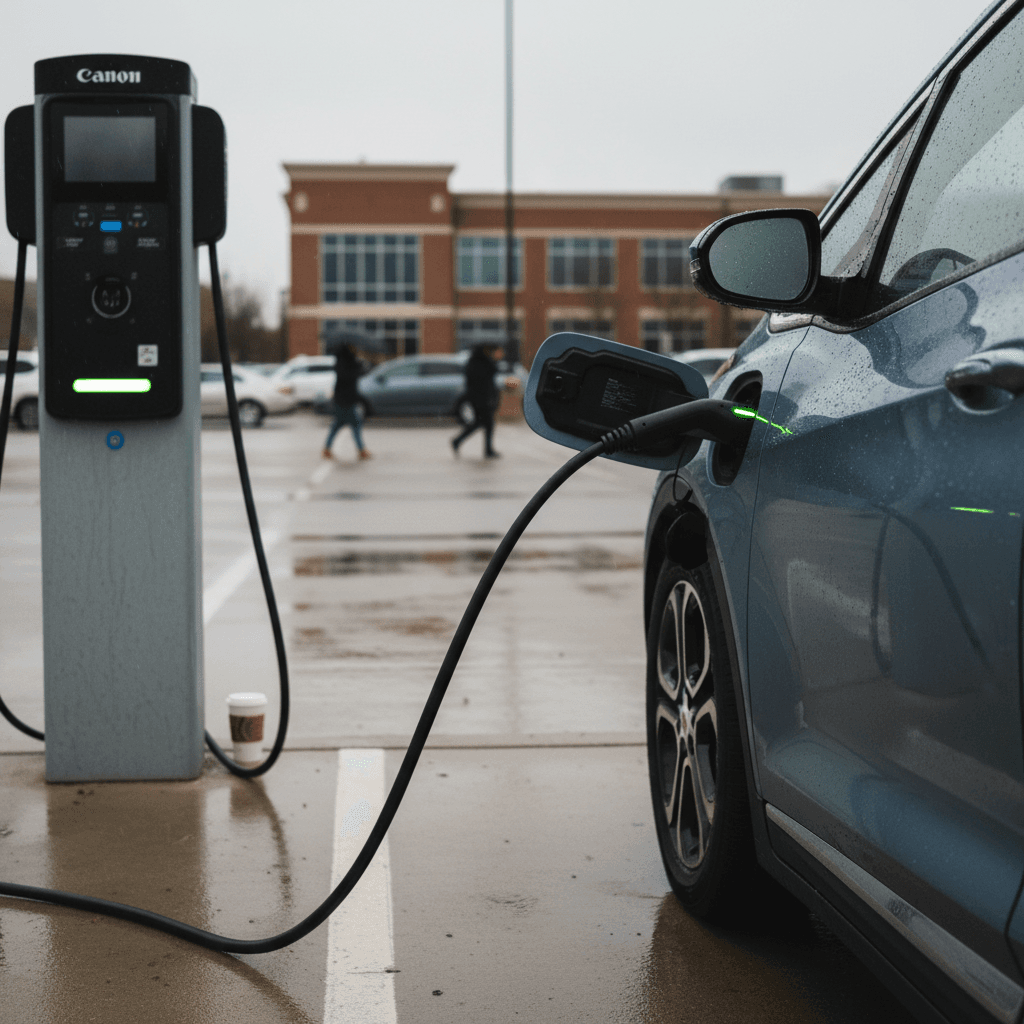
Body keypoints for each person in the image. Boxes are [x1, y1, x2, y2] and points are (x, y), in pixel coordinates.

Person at [322, 343, 371, 461]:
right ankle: (362, 451)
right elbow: (353, 377)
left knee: (338, 424)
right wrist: (359, 365)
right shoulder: (349, 364)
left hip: (340, 400)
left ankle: (327, 449)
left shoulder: (341, 363)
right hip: (347, 400)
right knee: (355, 424)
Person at [451, 344, 501, 458]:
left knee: (481, 423)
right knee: (486, 423)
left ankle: (458, 441)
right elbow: (485, 381)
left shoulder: (476, 363)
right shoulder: (480, 364)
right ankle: (487, 450)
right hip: (480, 399)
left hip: (478, 398)